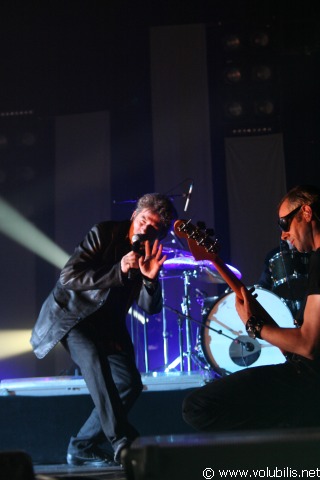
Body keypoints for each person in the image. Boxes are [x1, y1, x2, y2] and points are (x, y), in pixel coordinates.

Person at [30, 193, 177, 466]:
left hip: (108, 324)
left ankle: (82, 445)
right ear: (134, 215)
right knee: (94, 360)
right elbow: (69, 277)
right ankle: (122, 441)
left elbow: (150, 307)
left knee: (129, 383)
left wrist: (150, 280)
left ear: (161, 233)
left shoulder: (150, 253)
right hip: (74, 317)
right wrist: (118, 270)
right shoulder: (104, 233)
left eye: (154, 227)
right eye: (144, 220)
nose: (146, 228)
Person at [182, 185, 320, 431]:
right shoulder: (315, 261)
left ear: (306, 213)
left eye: (284, 223)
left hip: (310, 381)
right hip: (307, 376)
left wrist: (254, 325)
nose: (283, 235)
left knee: (198, 407)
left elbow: (307, 345)